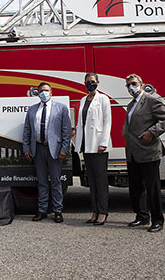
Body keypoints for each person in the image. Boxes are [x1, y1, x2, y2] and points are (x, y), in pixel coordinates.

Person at [122, 74, 165, 233]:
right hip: (133, 153)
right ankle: (142, 216)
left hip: (149, 152)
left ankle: (158, 220)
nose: (131, 87)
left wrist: (152, 132)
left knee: (152, 189)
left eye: (133, 83)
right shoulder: (131, 104)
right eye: (128, 85)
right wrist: (125, 131)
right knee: (136, 188)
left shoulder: (152, 100)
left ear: (141, 84)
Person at [23, 82, 71, 223]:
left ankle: (58, 211)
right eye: (41, 91)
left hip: (54, 150)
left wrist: (64, 149)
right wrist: (26, 148)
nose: (44, 93)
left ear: (51, 92)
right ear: (38, 93)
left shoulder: (61, 109)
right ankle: (42, 210)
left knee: (56, 182)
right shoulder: (32, 110)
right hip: (38, 149)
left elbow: (66, 131)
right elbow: (27, 131)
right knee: (42, 182)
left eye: (46, 90)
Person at [75, 73, 112, 226]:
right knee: (92, 181)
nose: (90, 84)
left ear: (98, 82)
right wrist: (79, 144)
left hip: (98, 146)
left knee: (101, 181)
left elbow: (107, 121)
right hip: (87, 146)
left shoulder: (103, 99)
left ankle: (103, 212)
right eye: (87, 82)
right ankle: (95, 211)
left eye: (92, 81)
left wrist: (103, 142)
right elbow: (81, 123)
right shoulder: (84, 99)